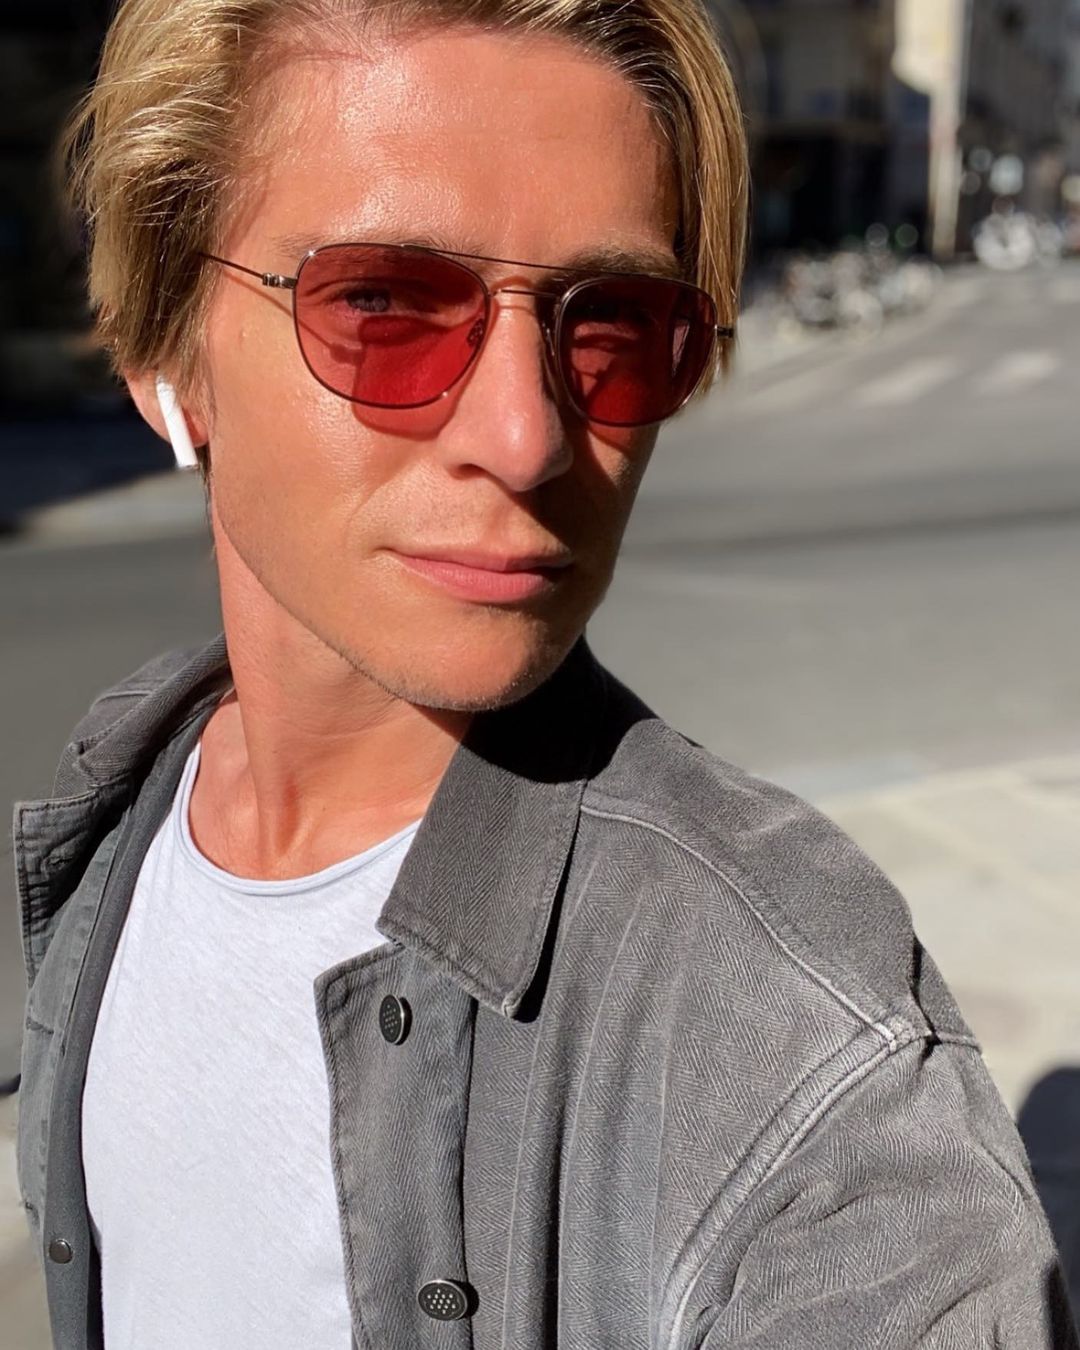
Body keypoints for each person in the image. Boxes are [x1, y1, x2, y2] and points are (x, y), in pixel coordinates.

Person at [13, 1, 1076, 1347]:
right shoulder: (126, 798)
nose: (528, 438)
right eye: (383, 302)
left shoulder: (796, 1047)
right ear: (163, 344)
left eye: (613, 320)